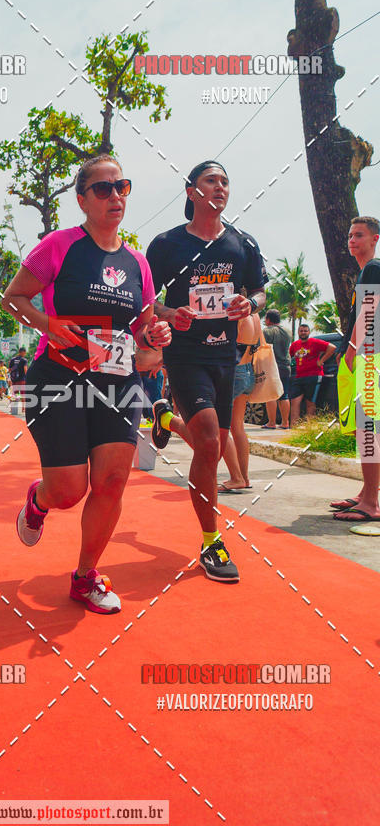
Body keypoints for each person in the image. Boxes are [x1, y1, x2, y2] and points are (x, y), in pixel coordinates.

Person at [2, 154, 171, 614]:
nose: (115, 195)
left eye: (122, 187)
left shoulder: (138, 262)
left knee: (114, 480)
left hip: (118, 383)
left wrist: (157, 336)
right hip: (58, 379)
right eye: (103, 188)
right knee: (69, 491)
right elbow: (12, 299)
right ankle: (39, 502)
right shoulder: (59, 245)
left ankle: (85, 577)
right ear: (82, 199)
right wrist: (46, 323)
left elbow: (146, 336)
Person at [146, 159, 268, 583]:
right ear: (191, 192)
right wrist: (167, 312)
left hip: (225, 355)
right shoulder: (166, 245)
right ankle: (211, 540)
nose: (220, 187)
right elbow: (146, 301)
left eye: (225, 181)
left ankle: (163, 418)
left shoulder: (242, 244)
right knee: (212, 441)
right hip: (184, 355)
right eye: (210, 181)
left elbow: (260, 290)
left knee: (205, 440)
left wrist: (250, 304)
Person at [332, 217, 380, 524]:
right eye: (350, 235)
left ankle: (372, 503)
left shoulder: (373, 269)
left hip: (369, 358)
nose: (352, 240)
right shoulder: (365, 271)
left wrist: (351, 350)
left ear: (375, 238)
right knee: (364, 426)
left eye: (359, 235)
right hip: (366, 357)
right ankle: (366, 493)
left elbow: (370, 309)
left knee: (368, 429)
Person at [219, 310, 261, 492]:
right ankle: (244, 477)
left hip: (234, 370)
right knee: (237, 427)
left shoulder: (238, 313)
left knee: (219, 425)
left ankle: (236, 477)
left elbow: (233, 344)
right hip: (248, 370)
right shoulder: (256, 315)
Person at [289, 323, 336, 422]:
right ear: (298, 332)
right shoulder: (294, 345)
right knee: (294, 401)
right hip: (299, 376)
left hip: (313, 375)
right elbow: (289, 356)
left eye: (305, 331)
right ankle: (293, 427)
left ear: (309, 332)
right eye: (301, 331)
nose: (303, 333)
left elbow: (332, 347)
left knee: (310, 402)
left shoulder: (315, 342)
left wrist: (321, 360)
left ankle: (310, 427)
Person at [262, 309, 291, 429]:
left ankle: (272, 422)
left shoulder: (266, 331)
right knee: (284, 395)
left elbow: (262, 347)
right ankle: (285, 423)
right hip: (286, 366)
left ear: (268, 319)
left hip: (272, 366)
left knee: (271, 395)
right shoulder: (288, 331)